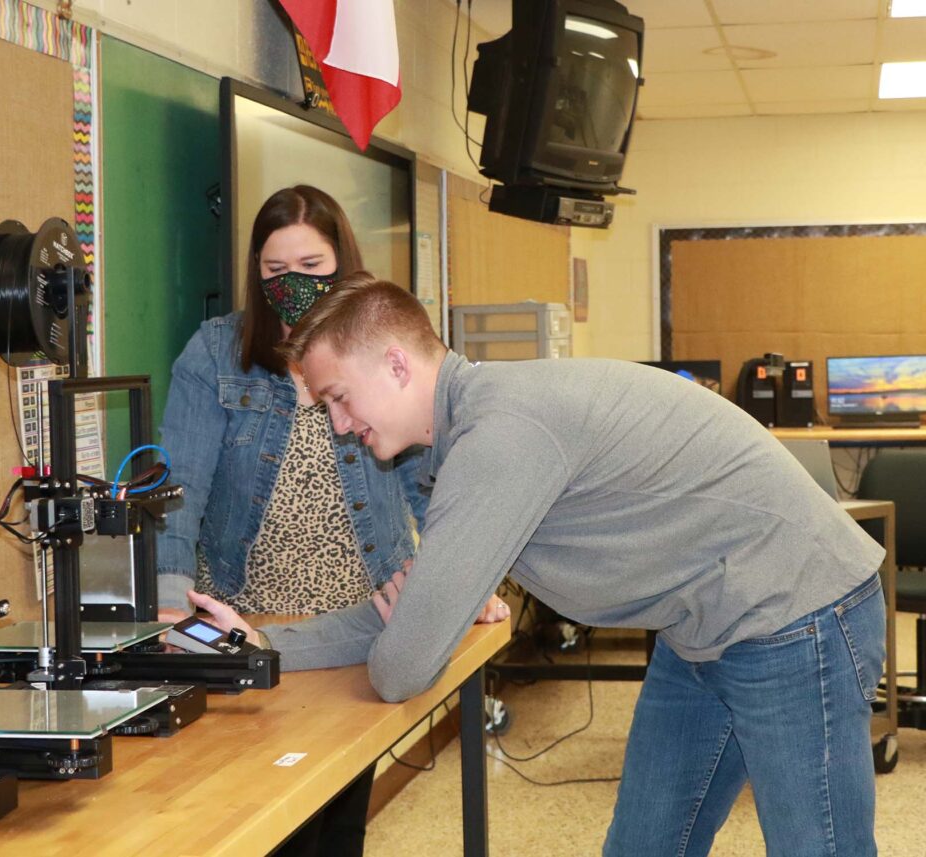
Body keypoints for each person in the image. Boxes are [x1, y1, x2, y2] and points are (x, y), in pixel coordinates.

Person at [188, 272, 887, 856]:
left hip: (797, 613)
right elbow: (411, 619)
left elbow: (401, 661)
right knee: (646, 845)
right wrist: (265, 645)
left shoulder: (500, 438)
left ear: (397, 364)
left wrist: (419, 623)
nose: (339, 425)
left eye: (338, 398)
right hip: (709, 623)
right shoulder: (471, 432)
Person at [156, 188, 509, 857]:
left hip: (357, 627)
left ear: (343, 262)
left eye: (310, 264)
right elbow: (178, 486)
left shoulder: (372, 353)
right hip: (249, 628)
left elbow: (426, 476)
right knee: (274, 822)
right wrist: (172, 602)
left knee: (341, 824)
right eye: (272, 270)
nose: (290, 285)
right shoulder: (214, 355)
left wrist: (462, 577)